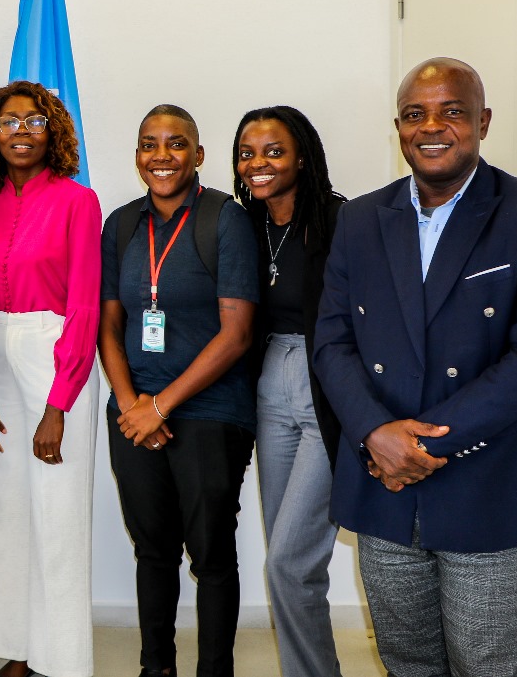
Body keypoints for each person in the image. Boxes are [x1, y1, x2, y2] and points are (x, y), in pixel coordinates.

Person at [314, 58, 517, 677]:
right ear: (399, 128)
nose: (432, 126)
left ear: (483, 122)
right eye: (416, 114)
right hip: (380, 481)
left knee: (487, 664)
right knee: (406, 660)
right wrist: (376, 435)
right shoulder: (358, 219)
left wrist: (420, 444)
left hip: (486, 478)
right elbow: (331, 341)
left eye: (452, 111)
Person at [99, 105, 258, 677]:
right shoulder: (119, 225)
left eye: (176, 143)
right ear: (137, 154)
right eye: (149, 144)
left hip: (212, 413)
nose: (161, 155)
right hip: (134, 413)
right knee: (154, 551)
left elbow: (237, 334)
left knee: (211, 555)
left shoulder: (226, 219)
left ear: (198, 155)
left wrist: (161, 405)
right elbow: (109, 326)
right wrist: (130, 404)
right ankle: (155, 668)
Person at [0, 81, 101, 677]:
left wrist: (59, 404)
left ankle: (63, 658)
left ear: (54, 132)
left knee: (58, 510)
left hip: (55, 354)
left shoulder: (78, 200)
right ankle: (19, 650)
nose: (20, 131)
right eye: (9, 120)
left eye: (34, 121)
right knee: (10, 509)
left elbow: (86, 306)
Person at [232, 106, 346, 677]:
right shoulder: (242, 224)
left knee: (287, 561)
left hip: (326, 387)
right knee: (291, 556)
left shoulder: (341, 219)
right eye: (248, 153)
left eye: (274, 151)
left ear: (302, 154)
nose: (259, 164)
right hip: (267, 386)